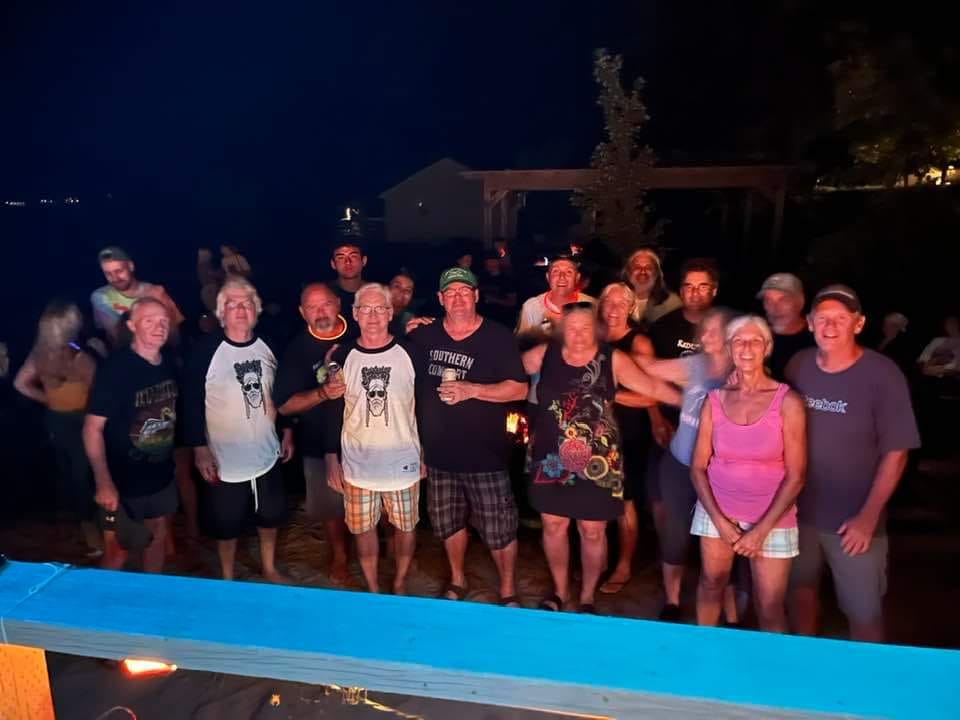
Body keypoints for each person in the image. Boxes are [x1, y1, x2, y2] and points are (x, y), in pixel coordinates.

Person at [522, 302, 680, 613]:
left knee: (593, 531)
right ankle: (559, 592)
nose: (578, 334)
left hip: (599, 461)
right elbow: (504, 368)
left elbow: (651, 387)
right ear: (561, 331)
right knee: (553, 526)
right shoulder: (544, 354)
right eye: (571, 327)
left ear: (596, 329)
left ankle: (587, 597)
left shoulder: (613, 359)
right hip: (552, 457)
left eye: (585, 327)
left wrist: (693, 402)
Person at [787, 285, 920, 643]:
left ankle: (867, 674)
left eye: (841, 319)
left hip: (854, 523)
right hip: (797, 514)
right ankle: (807, 663)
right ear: (810, 323)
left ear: (858, 324)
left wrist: (869, 516)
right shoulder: (798, 365)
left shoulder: (883, 374)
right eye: (822, 319)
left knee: (864, 612)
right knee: (800, 593)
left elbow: (897, 452)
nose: (830, 326)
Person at [408, 267, 528, 605]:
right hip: (439, 454)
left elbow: (519, 389)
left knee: (499, 527)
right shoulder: (424, 337)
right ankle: (458, 579)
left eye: (465, 291)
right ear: (440, 299)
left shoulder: (498, 336)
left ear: (476, 296)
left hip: (485, 454)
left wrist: (471, 390)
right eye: (451, 292)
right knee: (449, 523)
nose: (458, 298)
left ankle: (508, 589)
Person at [689, 315, 806, 632]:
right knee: (711, 583)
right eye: (739, 341)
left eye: (755, 341)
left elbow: (796, 475)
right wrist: (719, 521)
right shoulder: (715, 400)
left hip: (772, 517)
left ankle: (770, 662)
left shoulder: (788, 402)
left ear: (767, 347)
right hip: (717, 510)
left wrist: (759, 531)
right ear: (729, 348)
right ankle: (704, 651)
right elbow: (698, 467)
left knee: (769, 604)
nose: (746, 348)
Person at [183, 277, 294, 583]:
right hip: (224, 457)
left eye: (247, 303)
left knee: (270, 517)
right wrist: (199, 448)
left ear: (256, 309)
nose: (241, 310)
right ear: (221, 312)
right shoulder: (205, 350)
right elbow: (191, 402)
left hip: (266, 451)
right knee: (226, 525)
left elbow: (281, 392)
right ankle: (228, 577)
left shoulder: (269, 345)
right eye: (232, 304)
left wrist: (287, 430)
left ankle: (269, 568)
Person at [325, 283, 421, 594]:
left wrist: (426, 454)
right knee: (363, 529)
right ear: (354, 314)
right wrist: (331, 457)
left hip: (403, 461)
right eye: (365, 308)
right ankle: (373, 586)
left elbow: (425, 406)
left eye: (380, 308)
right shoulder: (342, 355)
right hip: (358, 465)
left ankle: (400, 581)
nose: (373, 315)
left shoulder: (411, 351)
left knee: (405, 526)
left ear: (391, 313)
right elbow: (332, 409)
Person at [639, 307, 733, 621]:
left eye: (716, 330)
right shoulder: (695, 364)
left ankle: (731, 613)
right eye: (704, 329)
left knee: (723, 537)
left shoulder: (744, 369)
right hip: (680, 462)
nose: (707, 336)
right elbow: (650, 368)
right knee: (675, 532)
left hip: (723, 471)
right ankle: (672, 601)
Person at [83, 297, 179, 573]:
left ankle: (152, 591)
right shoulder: (116, 370)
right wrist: (103, 481)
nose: (159, 327)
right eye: (149, 321)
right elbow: (92, 428)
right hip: (122, 479)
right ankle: (103, 599)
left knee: (157, 532)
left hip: (159, 472)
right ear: (132, 326)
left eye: (163, 321)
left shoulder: (168, 362)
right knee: (117, 551)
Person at [275, 282, 352, 585]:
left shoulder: (362, 330)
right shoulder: (296, 350)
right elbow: (284, 404)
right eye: (312, 307)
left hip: (367, 438)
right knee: (331, 507)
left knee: (380, 505)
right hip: (318, 441)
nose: (320, 312)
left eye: (326, 304)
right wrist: (322, 393)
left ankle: (377, 556)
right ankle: (340, 557)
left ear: (338, 304)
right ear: (302, 312)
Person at [14, 300, 102, 555]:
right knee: (81, 476)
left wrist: (51, 400)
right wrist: (50, 399)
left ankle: (95, 532)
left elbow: (21, 384)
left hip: (67, 420)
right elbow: (20, 384)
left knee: (80, 476)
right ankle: (95, 533)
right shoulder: (76, 356)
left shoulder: (59, 354)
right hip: (75, 421)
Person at [595, 283, 656, 594]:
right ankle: (598, 562)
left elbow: (650, 395)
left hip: (627, 433)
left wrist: (610, 396)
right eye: (610, 301)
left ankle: (624, 566)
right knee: (594, 499)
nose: (614, 308)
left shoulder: (639, 342)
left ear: (632, 308)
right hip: (593, 433)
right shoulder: (592, 337)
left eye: (622, 303)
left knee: (624, 503)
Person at [90, 246, 184, 347]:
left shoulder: (156, 291)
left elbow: (174, 333)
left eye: (119, 271)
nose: (115, 278)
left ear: (131, 266)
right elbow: (118, 335)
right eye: (108, 274)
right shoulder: (100, 297)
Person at [516, 255, 595, 341]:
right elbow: (521, 343)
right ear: (548, 277)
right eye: (556, 271)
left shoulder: (592, 305)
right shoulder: (532, 307)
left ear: (577, 277)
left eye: (569, 272)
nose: (562, 277)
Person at [757, 273, 816, 381]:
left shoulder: (818, 338)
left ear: (800, 302)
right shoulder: (756, 336)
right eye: (768, 300)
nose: (775, 307)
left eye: (783, 300)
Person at [622, 248, 681, 326]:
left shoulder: (672, 303)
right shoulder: (613, 297)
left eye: (648, 268)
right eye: (637, 267)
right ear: (628, 272)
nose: (643, 271)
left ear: (656, 273)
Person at [330, 241, 367, 326]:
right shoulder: (324, 294)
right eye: (340, 257)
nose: (348, 262)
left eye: (353, 256)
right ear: (333, 264)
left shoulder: (378, 292)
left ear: (364, 261)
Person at [478, 251, 518, 327]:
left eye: (492, 262)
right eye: (488, 262)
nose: (490, 264)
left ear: (498, 262)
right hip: (486, 321)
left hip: (503, 321)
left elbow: (512, 302)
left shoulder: (507, 280)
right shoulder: (482, 278)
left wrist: (495, 300)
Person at [387, 270, 417, 336]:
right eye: (397, 286)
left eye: (408, 290)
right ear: (387, 288)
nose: (402, 292)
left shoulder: (410, 321)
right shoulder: (371, 313)